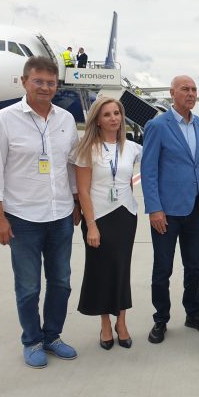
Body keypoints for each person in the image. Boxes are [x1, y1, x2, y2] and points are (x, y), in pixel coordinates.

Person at [0, 56, 80, 368]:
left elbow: (71, 167)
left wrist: (77, 202)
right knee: (28, 287)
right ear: (24, 82)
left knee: (61, 282)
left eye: (51, 83)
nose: (45, 88)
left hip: (61, 215)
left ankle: (52, 336)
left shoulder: (66, 120)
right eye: (38, 81)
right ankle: (32, 340)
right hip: (23, 218)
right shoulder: (4, 120)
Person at [141, 75, 199, 344]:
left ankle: (193, 313)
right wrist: (154, 209)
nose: (191, 93)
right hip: (167, 211)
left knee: (193, 267)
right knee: (163, 269)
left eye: (194, 89)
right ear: (172, 93)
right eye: (185, 89)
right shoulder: (157, 126)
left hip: (194, 208)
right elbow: (148, 170)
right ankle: (161, 318)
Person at [72, 97, 141, 350]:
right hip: (98, 217)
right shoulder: (87, 149)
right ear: (97, 121)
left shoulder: (132, 148)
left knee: (122, 269)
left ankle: (121, 322)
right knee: (100, 271)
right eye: (107, 114)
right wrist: (91, 225)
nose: (113, 118)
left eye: (117, 113)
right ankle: (104, 324)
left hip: (125, 215)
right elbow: (83, 190)